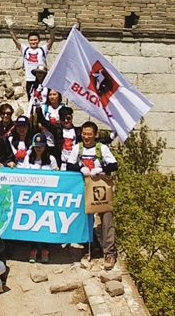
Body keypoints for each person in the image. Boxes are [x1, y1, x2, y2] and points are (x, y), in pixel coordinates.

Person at [66, 121, 118, 270]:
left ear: (95, 135)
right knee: (85, 218)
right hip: (84, 186)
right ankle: (90, 247)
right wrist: (81, 168)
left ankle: (109, 252)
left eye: (89, 134)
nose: (86, 137)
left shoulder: (102, 148)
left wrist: (99, 169)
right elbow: (69, 165)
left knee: (106, 218)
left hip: (101, 187)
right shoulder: (78, 148)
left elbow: (114, 165)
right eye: (84, 134)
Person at [22, 133, 58, 263]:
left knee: (45, 223)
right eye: (36, 146)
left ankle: (45, 249)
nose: (38, 149)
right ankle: (33, 249)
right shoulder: (28, 158)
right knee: (32, 222)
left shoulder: (51, 159)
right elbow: (24, 175)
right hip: (32, 196)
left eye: (41, 146)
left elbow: (57, 176)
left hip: (46, 197)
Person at [5, 16, 56, 98]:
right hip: (30, 79)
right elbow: (15, 40)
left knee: (44, 99)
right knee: (32, 101)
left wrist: (52, 28)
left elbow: (51, 40)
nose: (33, 42)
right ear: (28, 41)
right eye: (31, 40)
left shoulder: (42, 49)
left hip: (42, 79)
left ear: (38, 40)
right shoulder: (25, 49)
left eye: (35, 40)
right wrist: (10, 28)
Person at [58, 106, 81, 170]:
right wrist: (38, 108)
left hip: (73, 164)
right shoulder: (57, 131)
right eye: (63, 119)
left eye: (68, 118)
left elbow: (91, 139)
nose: (66, 121)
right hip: (61, 165)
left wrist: (109, 138)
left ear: (72, 118)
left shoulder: (78, 131)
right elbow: (45, 123)